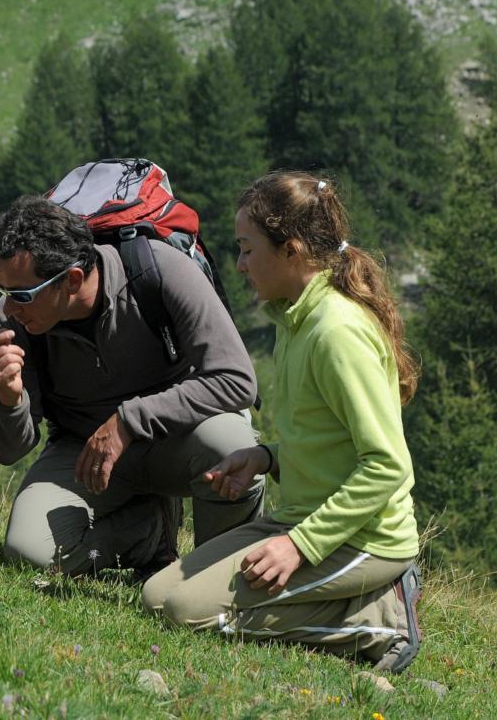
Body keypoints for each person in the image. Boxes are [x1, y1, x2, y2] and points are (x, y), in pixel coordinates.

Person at [141, 172, 423, 674]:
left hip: (363, 539)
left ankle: (382, 619)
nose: (240, 264)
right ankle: (343, 605)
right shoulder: (294, 318)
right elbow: (323, 432)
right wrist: (267, 456)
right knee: (158, 595)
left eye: (248, 250)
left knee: (186, 613)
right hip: (299, 518)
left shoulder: (336, 332)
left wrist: (300, 545)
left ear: (291, 251)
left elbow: (388, 466)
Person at [0, 195, 262, 577]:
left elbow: (236, 379)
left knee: (232, 446)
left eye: (22, 295)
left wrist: (129, 421)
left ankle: (216, 574)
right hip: (85, 453)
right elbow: (8, 451)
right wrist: (7, 399)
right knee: (29, 552)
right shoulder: (13, 320)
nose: (9, 307)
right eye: (1, 287)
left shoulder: (162, 271)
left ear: (73, 279)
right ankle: (150, 531)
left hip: (180, 438)